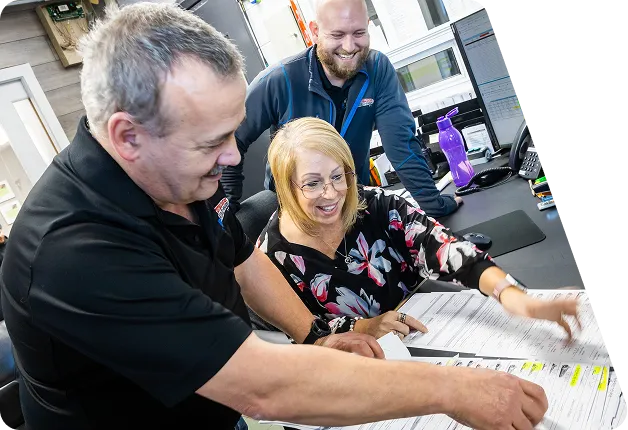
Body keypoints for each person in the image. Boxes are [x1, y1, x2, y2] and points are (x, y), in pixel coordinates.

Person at [1, 4, 550, 430]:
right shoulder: (73, 250)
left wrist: (315, 335)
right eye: (213, 142)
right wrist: (452, 389)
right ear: (128, 136)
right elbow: (261, 386)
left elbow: (242, 261)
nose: (233, 157)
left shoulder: (176, 174)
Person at [257, 117, 582, 341]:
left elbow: (443, 248)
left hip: (432, 331)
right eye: (312, 183)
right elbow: (305, 333)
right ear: (286, 188)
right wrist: (365, 328)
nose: (331, 194)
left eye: (337, 176)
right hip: (366, 367)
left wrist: (513, 296)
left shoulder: (375, 204)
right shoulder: (272, 257)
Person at [222, 0, 461, 218]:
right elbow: (230, 142)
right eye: (337, 34)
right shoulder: (279, 80)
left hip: (354, 204)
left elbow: (401, 143)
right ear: (314, 31)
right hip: (297, 214)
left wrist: (433, 205)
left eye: (359, 33)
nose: (349, 46)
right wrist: (227, 221)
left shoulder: (377, 69)